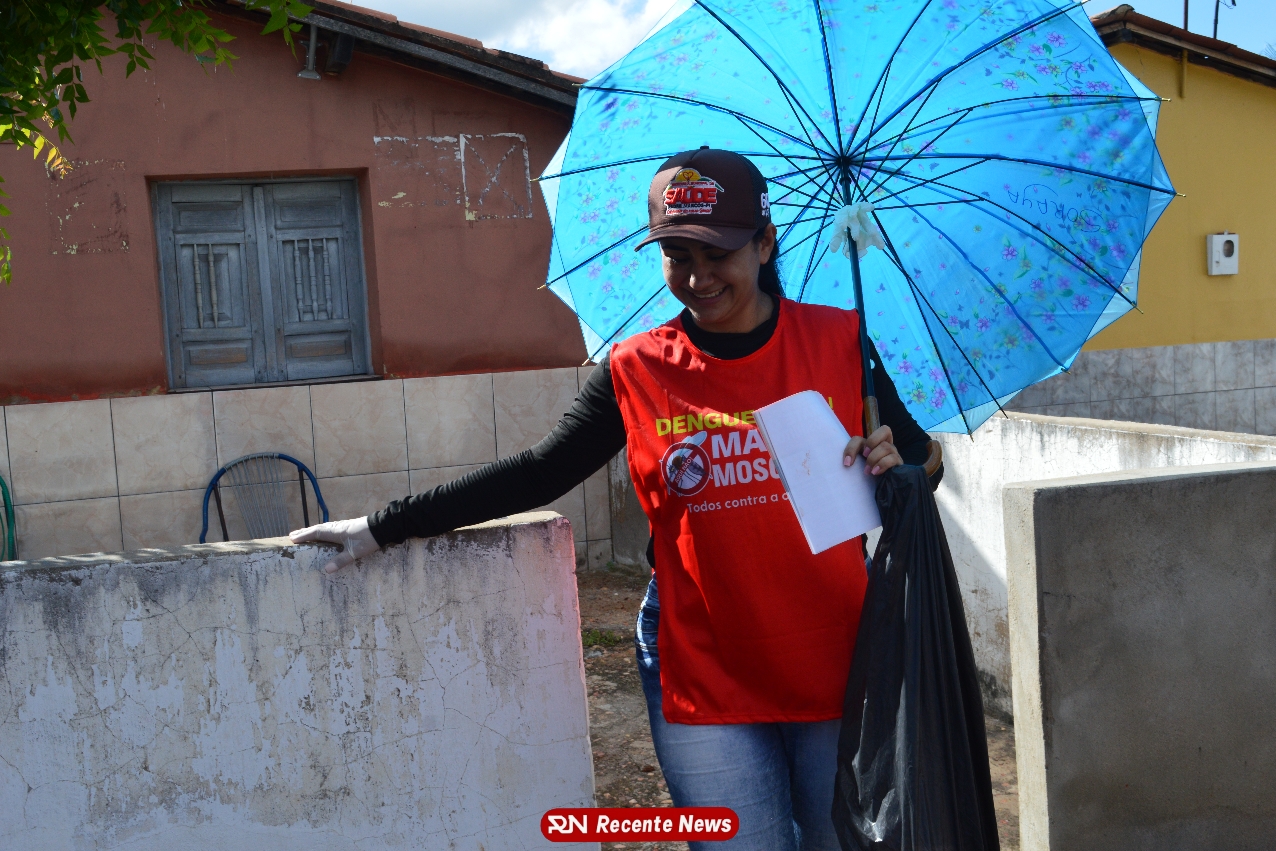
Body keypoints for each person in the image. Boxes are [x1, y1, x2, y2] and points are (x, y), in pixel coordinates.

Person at [291, 148, 942, 851]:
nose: (697, 277)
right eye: (676, 256)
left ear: (764, 243)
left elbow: (922, 463)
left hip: (836, 650)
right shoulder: (637, 368)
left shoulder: (840, 341)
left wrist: (895, 463)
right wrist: (382, 526)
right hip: (702, 657)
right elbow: (539, 471)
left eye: (717, 253)